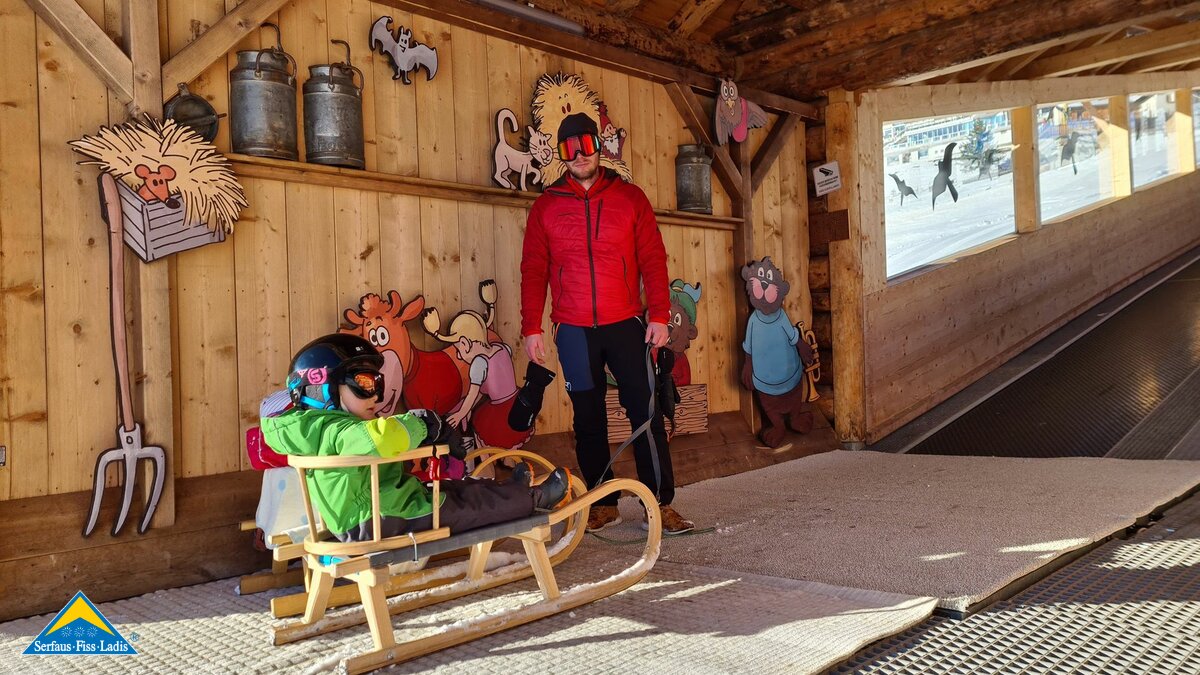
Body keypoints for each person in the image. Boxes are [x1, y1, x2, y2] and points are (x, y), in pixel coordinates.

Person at [519, 112, 694, 535]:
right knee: (587, 418)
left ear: (598, 146)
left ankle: (659, 503)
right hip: (573, 329)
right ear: (561, 154)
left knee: (645, 412)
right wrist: (531, 327)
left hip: (626, 323)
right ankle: (603, 503)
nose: (579, 155)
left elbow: (653, 259)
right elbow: (533, 269)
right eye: (569, 148)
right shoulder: (546, 207)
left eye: (586, 145)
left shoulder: (631, 198)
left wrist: (658, 316)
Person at [261, 333, 569, 543]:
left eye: (378, 383)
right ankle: (533, 500)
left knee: (457, 489)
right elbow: (380, 439)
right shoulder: (336, 430)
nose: (377, 395)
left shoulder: (319, 429)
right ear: (322, 389)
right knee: (470, 505)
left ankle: (512, 492)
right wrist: (422, 423)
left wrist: (421, 437)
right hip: (376, 520)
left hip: (385, 507)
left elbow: (377, 444)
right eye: (364, 384)